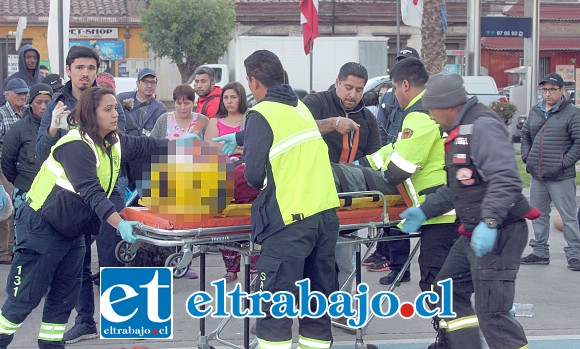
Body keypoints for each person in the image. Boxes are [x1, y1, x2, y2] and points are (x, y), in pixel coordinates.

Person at [0, 86, 168, 348]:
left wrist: (190, 145)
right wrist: (120, 224)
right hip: (41, 227)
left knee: (63, 301)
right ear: (91, 113)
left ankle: (52, 345)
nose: (116, 114)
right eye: (108, 109)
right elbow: (92, 191)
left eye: (117, 108)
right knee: (24, 299)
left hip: (73, 230)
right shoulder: (76, 144)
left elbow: (147, 145)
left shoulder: (113, 140)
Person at [400, 73, 536, 349]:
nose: (431, 118)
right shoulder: (460, 130)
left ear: (448, 107)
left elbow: (507, 179)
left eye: (432, 112)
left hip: (500, 231)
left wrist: (489, 221)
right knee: (447, 290)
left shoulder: (482, 127)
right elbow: (458, 186)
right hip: (475, 231)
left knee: (493, 314)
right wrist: (425, 211)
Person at [358, 58, 459, 347]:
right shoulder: (429, 112)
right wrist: (361, 164)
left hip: (442, 215)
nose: (392, 95)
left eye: (393, 88)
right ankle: (449, 340)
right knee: (445, 285)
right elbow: (394, 149)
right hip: (443, 212)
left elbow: (399, 169)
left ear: (404, 85)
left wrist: (366, 175)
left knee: (438, 284)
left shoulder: (420, 115)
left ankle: (450, 342)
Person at [242, 49, 339, 349]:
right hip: (324, 218)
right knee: (316, 307)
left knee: (274, 310)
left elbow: (254, 176)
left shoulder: (260, 113)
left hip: (289, 223)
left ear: (254, 81)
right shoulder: (300, 108)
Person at [35, 46, 127, 344]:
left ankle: (119, 320)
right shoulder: (57, 104)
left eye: (91, 67)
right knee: (80, 262)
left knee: (113, 259)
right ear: (69, 69)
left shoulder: (108, 101)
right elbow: (40, 153)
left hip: (108, 193)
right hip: (72, 201)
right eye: (79, 67)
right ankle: (85, 321)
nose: (85, 72)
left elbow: (120, 144)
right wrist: (53, 129)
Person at [364, 47, 421, 277]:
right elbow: (381, 130)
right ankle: (389, 260)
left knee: (402, 220)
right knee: (390, 219)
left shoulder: (420, 103)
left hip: (408, 164)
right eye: (399, 61)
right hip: (390, 158)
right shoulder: (389, 96)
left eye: (406, 61)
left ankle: (400, 268)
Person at [520, 73, 580, 271]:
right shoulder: (535, 111)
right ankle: (539, 252)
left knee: (568, 217)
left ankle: (575, 255)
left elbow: (578, 144)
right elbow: (525, 135)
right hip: (537, 175)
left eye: (552, 90)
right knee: (538, 214)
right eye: (544, 90)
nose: (547, 94)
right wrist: (527, 158)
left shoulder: (572, 113)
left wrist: (562, 163)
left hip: (561, 176)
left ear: (563, 90)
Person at [204, 82, 258, 282]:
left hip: (249, 177)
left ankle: (254, 265)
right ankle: (231, 268)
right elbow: (211, 148)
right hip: (223, 177)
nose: (229, 101)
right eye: (225, 97)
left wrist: (236, 149)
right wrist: (239, 149)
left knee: (252, 221)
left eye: (233, 97)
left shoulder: (250, 118)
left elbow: (256, 146)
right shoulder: (215, 121)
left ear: (241, 97)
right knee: (227, 223)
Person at [1, 83, 53, 248]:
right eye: (39, 102)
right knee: (25, 241)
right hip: (26, 191)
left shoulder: (61, 127)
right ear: (31, 102)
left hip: (54, 194)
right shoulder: (19, 129)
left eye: (47, 102)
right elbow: (7, 160)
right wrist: (20, 181)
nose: (43, 106)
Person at [0, 78, 30, 264]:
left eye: (25, 92)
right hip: (5, 167)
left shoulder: (27, 113)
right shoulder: (2, 114)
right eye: (18, 93)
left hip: (24, 167)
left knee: (20, 209)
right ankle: (4, 251)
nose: (23, 96)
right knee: (7, 209)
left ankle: (13, 248)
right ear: (7, 95)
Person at [117, 68, 167, 136]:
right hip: (125, 143)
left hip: (148, 145)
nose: (149, 86)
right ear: (137, 83)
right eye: (145, 82)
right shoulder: (122, 98)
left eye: (153, 82)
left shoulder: (160, 109)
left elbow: (162, 134)